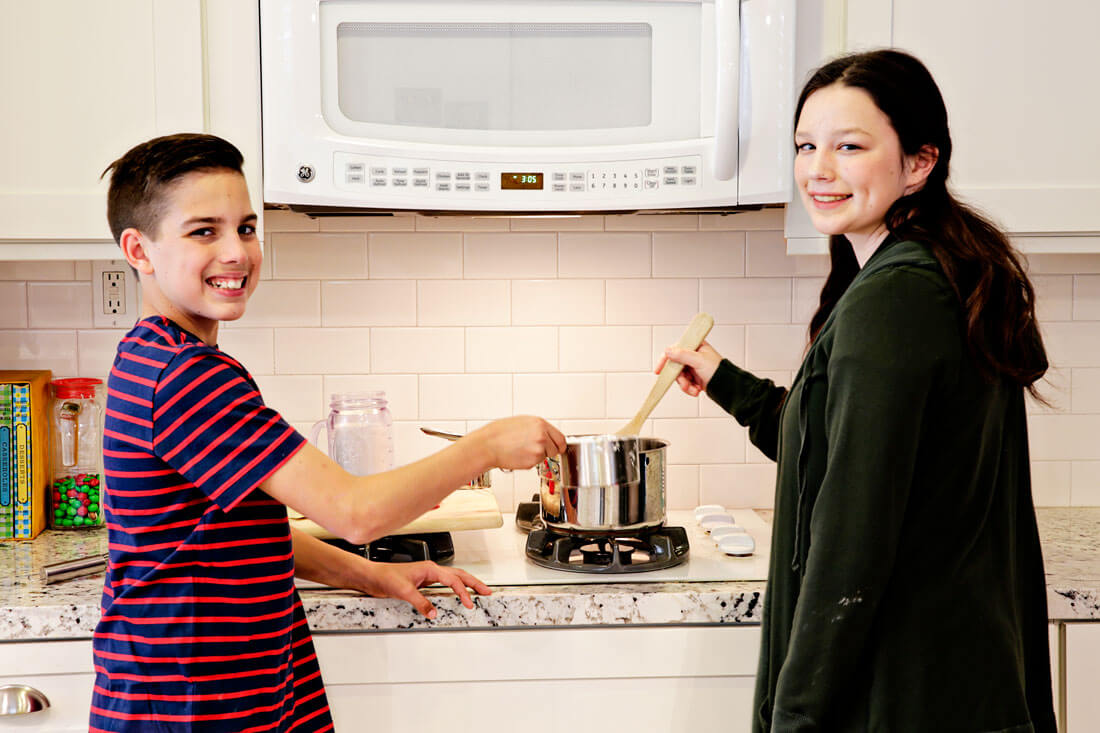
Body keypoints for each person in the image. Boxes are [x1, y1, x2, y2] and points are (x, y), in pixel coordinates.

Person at [90, 133, 567, 732]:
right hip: (194, 700)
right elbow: (354, 513)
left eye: (246, 227)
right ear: (139, 249)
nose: (236, 251)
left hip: (225, 685)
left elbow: (233, 534)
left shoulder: (159, 356)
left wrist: (372, 575)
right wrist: (487, 446)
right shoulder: (185, 377)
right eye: (203, 231)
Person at [658, 50, 1056, 732]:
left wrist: (794, 716)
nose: (818, 169)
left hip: (897, 693)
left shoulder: (895, 298)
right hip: (949, 684)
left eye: (849, 146)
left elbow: (852, 537)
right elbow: (845, 452)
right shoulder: (933, 271)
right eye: (806, 145)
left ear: (918, 163)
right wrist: (728, 382)